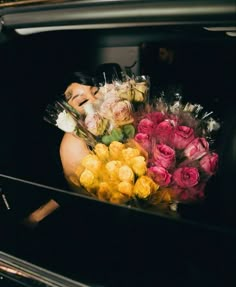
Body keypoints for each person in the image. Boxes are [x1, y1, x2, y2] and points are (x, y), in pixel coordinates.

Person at [24, 72, 100, 227]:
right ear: (67, 111)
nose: (93, 101)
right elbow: (85, 196)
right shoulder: (74, 142)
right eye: (82, 101)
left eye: (96, 92)